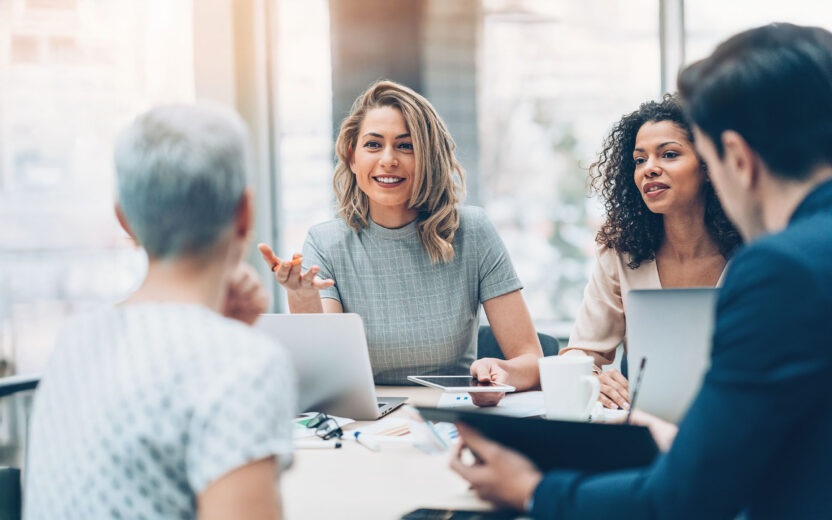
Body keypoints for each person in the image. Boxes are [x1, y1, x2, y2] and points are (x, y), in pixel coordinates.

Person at [451, 23, 832, 519]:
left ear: (736, 160)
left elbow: (688, 498)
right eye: (640, 159)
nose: (651, 168)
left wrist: (531, 489)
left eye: (696, 157)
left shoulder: (781, 267)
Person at [24, 104, 295, 519]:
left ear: (124, 220)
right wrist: (231, 340)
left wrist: (224, 329)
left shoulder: (73, 341)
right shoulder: (242, 364)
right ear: (245, 213)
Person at [258, 80, 542, 405]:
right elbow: (325, 370)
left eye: (406, 146)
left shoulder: (472, 232)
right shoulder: (325, 243)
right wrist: (301, 296)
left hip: (453, 416)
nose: (388, 159)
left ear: (429, 158)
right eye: (373, 145)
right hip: (365, 419)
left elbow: (531, 361)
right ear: (352, 158)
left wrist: (503, 373)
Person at [560, 95, 740, 409]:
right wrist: (591, 377)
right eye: (639, 160)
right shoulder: (622, 250)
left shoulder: (754, 248)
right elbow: (579, 353)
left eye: (669, 154)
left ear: (708, 164)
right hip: (652, 419)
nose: (649, 169)